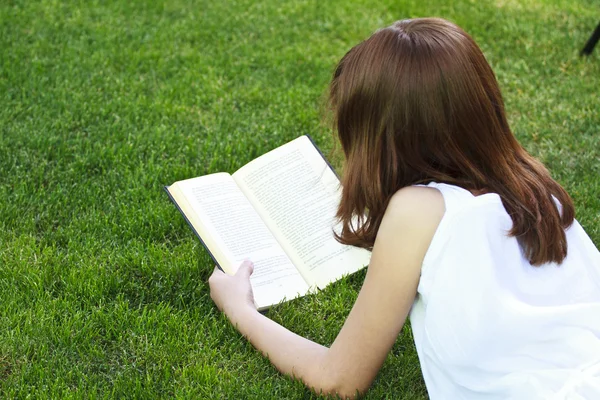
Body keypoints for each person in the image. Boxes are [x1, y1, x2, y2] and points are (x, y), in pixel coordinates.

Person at [208, 18, 600, 399]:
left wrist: (240, 309)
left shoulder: (416, 211)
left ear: (382, 141)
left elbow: (339, 380)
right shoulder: (537, 188)